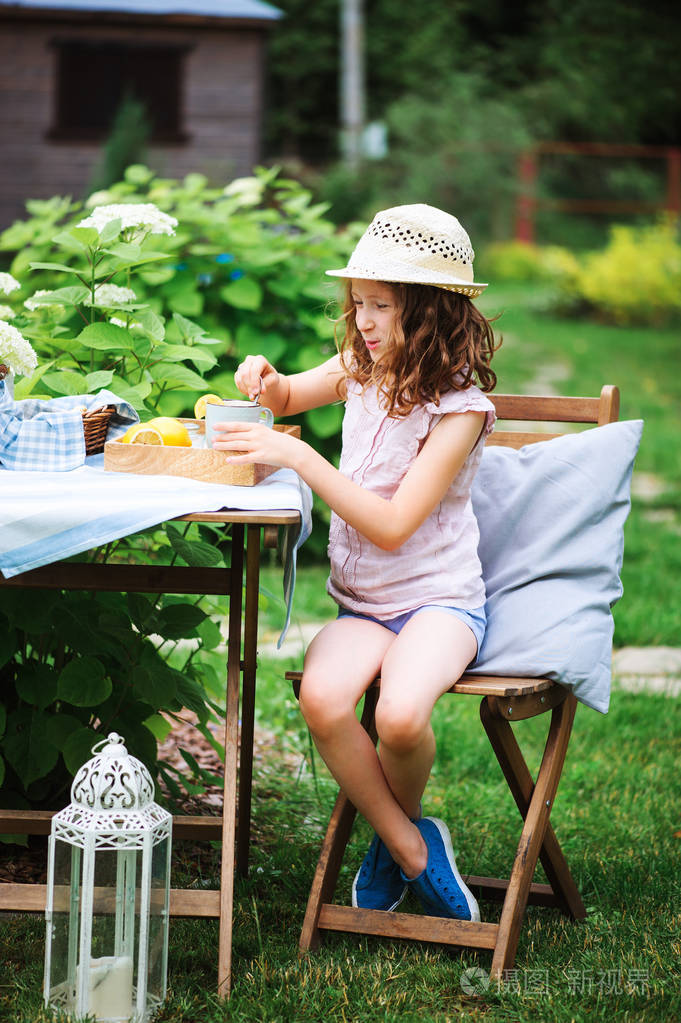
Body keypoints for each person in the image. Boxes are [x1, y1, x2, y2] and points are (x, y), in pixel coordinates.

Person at [213, 204, 499, 921]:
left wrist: (301, 456)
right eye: (358, 304)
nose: (363, 321)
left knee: (400, 717)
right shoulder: (358, 370)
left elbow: (397, 525)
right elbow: (284, 396)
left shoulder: (459, 411)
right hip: (363, 600)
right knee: (321, 696)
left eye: (381, 306)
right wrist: (265, 381)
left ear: (430, 312)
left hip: (439, 600)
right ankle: (409, 844)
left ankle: (390, 838)